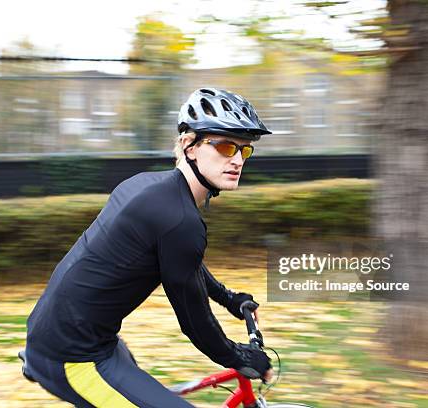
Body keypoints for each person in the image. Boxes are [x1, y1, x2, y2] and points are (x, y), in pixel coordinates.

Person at [21, 88, 273, 407]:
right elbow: (195, 323)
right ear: (188, 146)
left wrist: (228, 298)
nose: (236, 160)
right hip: (73, 357)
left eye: (244, 151)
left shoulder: (148, 186)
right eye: (224, 146)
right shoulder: (180, 219)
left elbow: (182, 262)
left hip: (81, 337)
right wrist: (240, 357)